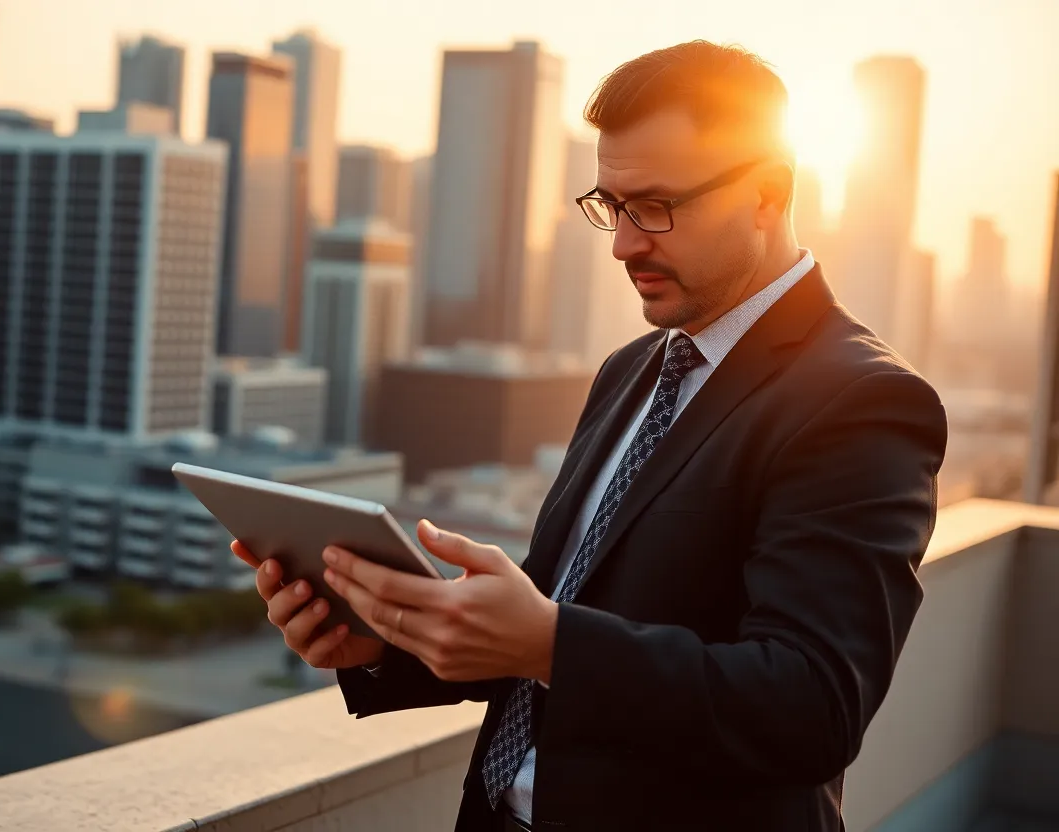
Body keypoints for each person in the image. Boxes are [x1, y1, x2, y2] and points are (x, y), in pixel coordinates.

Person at [232, 40, 948, 832]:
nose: (623, 243)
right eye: (611, 205)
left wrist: (549, 644)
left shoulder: (861, 401)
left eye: (656, 207)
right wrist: (382, 642)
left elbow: (811, 706)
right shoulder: (633, 368)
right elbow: (561, 611)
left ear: (767, 194)